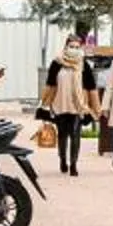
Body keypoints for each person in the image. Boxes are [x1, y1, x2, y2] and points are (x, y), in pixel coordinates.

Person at [41, 38, 95, 178]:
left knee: (75, 135)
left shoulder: (84, 65)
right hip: (59, 104)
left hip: (77, 106)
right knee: (62, 135)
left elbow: (91, 87)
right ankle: (63, 160)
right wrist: (45, 103)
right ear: (65, 47)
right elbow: (50, 84)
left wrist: (95, 107)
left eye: (77, 47)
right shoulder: (57, 63)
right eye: (71, 46)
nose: (74, 49)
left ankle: (74, 165)